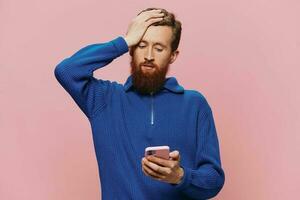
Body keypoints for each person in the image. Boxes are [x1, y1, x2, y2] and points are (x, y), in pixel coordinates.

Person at [54, 7, 225, 200]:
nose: (149, 55)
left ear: (173, 55)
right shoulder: (105, 99)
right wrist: (124, 41)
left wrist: (180, 176)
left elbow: (214, 180)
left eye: (159, 48)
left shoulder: (195, 104)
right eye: (141, 45)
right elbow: (66, 70)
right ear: (131, 49)